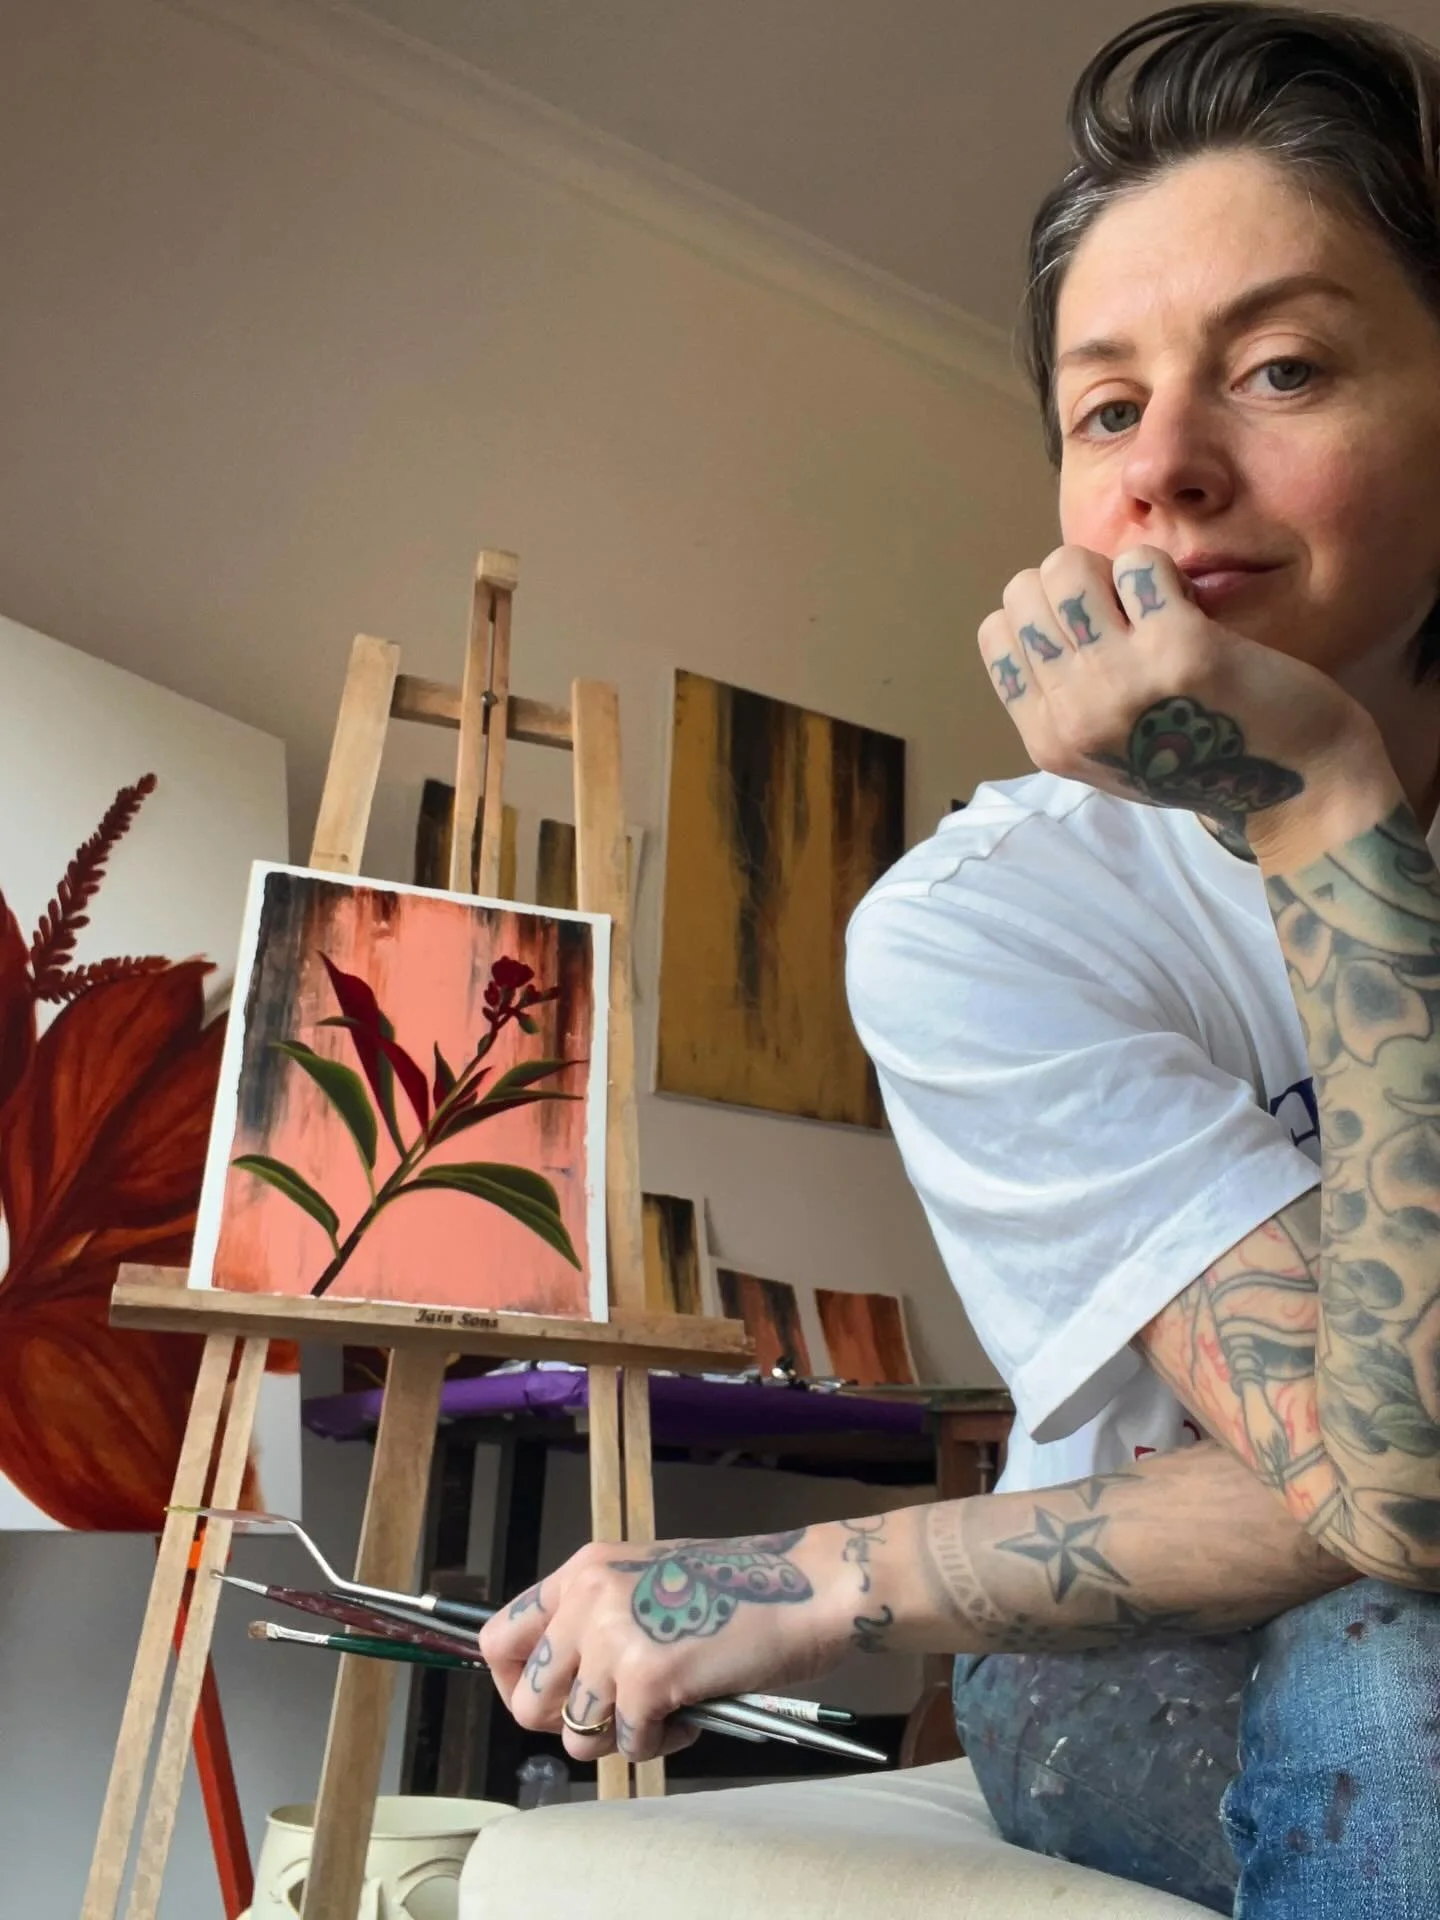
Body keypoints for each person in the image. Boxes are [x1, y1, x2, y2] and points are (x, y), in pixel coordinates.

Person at [479, 6, 1440, 1912]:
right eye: (1105, 411)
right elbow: (1404, 1490)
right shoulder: (987, 921)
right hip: (1126, 1656)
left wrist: (823, 1575)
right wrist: (1323, 803)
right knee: (1401, 1669)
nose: (1168, 467)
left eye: (1280, 367)